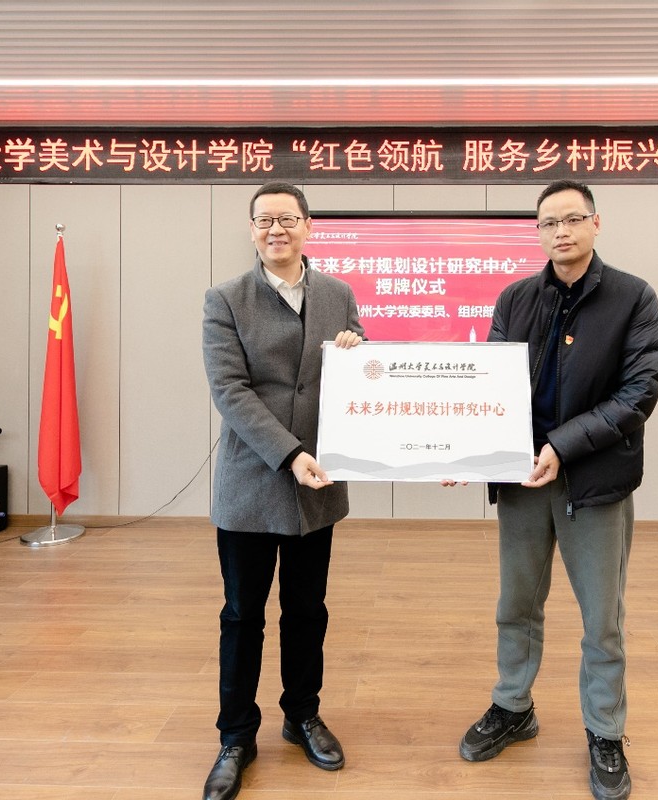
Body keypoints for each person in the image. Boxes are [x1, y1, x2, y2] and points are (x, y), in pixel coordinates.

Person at [458, 179, 658, 800]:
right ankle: (512, 706)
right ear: (538, 233)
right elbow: (488, 389)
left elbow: (638, 393)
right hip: (523, 479)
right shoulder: (516, 298)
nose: (561, 231)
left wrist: (562, 445)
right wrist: (462, 448)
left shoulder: (633, 297)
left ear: (596, 223)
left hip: (593, 482)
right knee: (516, 605)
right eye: (549, 223)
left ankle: (605, 731)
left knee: (602, 618)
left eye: (572, 219)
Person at [200, 181, 364, 800]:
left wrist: (357, 352)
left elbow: (362, 375)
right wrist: (289, 454)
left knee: (307, 610)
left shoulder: (338, 294)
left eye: (288, 219)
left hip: (317, 485)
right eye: (265, 220)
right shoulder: (225, 299)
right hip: (252, 483)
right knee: (243, 615)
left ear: (308, 226)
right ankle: (236, 736)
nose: (277, 229)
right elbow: (230, 391)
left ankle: (302, 715)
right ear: (252, 230)